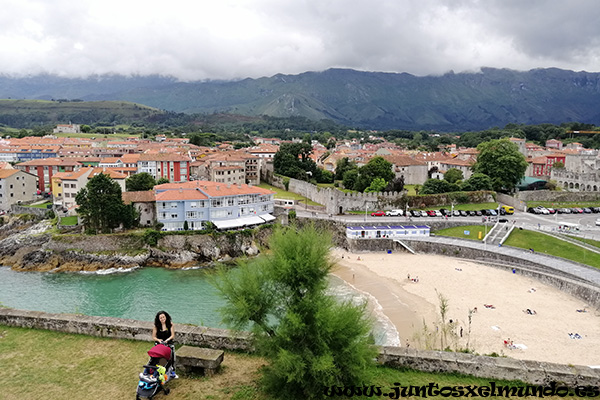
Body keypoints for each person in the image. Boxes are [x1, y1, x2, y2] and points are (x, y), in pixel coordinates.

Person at [152, 311, 178, 378]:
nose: (162, 319)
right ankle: (154, 369)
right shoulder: (156, 326)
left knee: (172, 358)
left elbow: (172, 335)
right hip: (160, 344)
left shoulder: (170, 324)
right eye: (161, 318)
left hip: (168, 343)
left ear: (166, 317)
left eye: (163, 317)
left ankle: (172, 371)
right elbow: (154, 337)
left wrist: (167, 340)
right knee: (157, 357)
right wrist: (158, 340)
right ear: (158, 319)